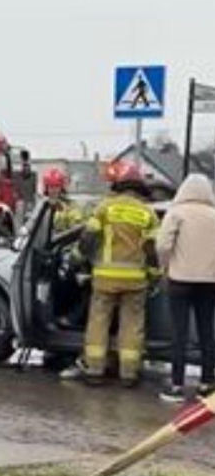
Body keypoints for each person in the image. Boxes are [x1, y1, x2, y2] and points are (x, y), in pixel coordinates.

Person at [78, 162, 160, 387]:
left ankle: (95, 370)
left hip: (105, 278)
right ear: (139, 187)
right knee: (132, 326)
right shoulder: (147, 213)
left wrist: (84, 259)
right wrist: (154, 273)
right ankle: (128, 374)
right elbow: (152, 249)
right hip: (135, 280)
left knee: (98, 322)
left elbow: (88, 238)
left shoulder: (105, 208)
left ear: (119, 185)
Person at [155, 174, 215, 403]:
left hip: (180, 280)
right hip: (209, 282)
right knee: (206, 331)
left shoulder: (176, 213)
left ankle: (176, 385)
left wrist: (165, 266)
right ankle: (207, 383)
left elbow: (163, 245)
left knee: (179, 334)